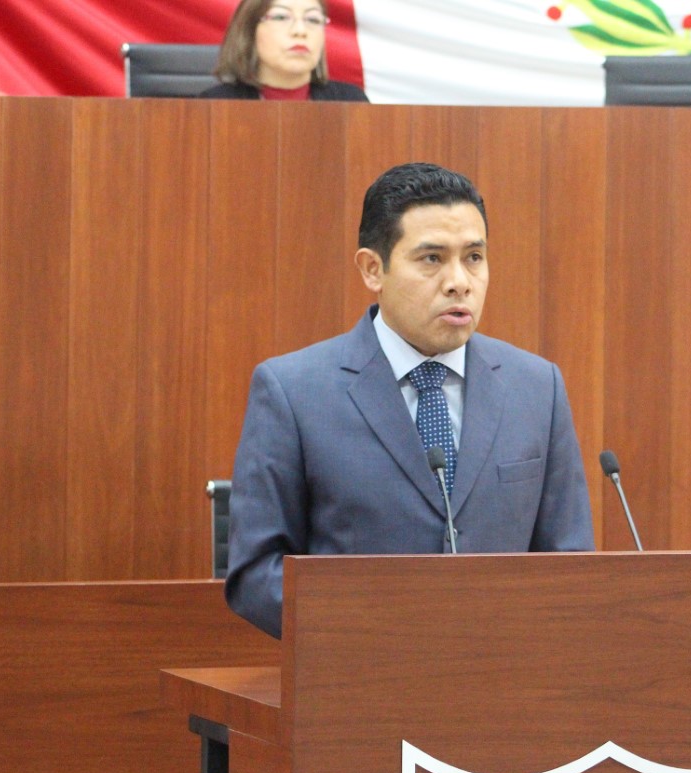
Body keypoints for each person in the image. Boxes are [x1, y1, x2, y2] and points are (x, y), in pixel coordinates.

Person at [225, 162, 594, 637]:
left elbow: (569, 561)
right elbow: (256, 575)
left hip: (505, 672)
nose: (459, 281)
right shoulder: (293, 392)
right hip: (360, 670)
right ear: (372, 269)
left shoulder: (537, 387)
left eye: (474, 257)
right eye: (432, 259)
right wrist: (391, 632)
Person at [200, 0, 368, 102]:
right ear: (249, 32)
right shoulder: (216, 104)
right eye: (281, 17)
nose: (300, 31)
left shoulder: (350, 101)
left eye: (313, 19)